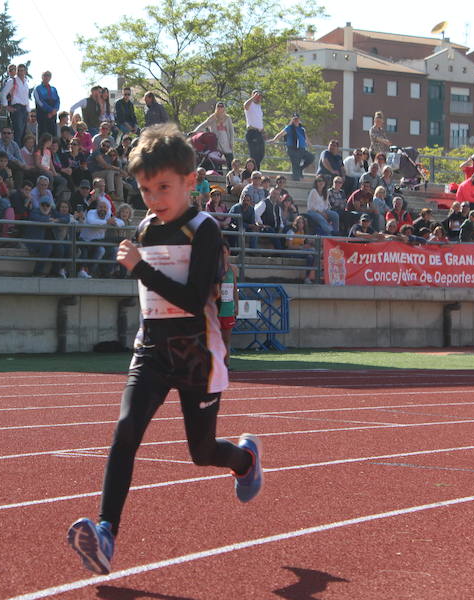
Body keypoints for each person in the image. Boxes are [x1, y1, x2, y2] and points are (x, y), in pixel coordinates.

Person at [67, 123, 262, 575]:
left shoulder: (204, 230)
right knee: (125, 432)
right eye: (145, 189)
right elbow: (152, 291)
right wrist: (135, 268)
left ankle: (245, 459)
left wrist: (139, 269)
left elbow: (195, 302)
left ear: (190, 181)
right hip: (152, 350)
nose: (154, 199)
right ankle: (105, 534)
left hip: (197, 355)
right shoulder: (147, 228)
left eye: (163, 188)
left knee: (201, 452)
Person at [270, 114, 313, 181]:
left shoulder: (302, 129)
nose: (296, 121)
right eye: (294, 119)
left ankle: (300, 169)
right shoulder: (289, 128)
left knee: (311, 157)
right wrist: (274, 140)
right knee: (295, 164)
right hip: (292, 149)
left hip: (301, 149)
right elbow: (280, 134)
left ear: (299, 120)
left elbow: (306, 138)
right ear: (292, 120)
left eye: (297, 119)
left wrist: (310, 145)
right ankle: (296, 179)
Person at [193, 102, 235, 169]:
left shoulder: (228, 118)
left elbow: (231, 131)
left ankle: (231, 173)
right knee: (217, 160)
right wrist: (195, 131)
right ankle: (219, 173)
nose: (220, 108)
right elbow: (204, 124)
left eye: (222, 106)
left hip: (226, 141)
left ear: (224, 108)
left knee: (230, 158)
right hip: (216, 142)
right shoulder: (213, 117)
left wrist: (231, 142)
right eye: (218, 106)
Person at [1, 63, 31, 141]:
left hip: (24, 108)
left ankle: (20, 151)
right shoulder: (12, 81)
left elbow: (26, 98)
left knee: (23, 132)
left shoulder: (26, 83)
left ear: (25, 71)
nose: (21, 72)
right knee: (18, 131)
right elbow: (3, 93)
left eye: (22, 70)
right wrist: (6, 106)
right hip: (16, 107)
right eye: (19, 70)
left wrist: (28, 112)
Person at [288, 215, 316, 283]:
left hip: (300, 251)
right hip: (292, 252)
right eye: (299, 223)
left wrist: (309, 244)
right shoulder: (291, 232)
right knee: (313, 251)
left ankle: (307, 277)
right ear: (296, 223)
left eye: (302, 223)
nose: (301, 224)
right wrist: (302, 247)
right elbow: (289, 246)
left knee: (310, 257)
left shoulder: (303, 232)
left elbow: (304, 243)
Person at [33, 71, 60, 138]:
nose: (46, 77)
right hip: (43, 113)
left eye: (48, 75)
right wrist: (50, 110)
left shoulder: (53, 89)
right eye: (45, 75)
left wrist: (55, 110)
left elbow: (57, 100)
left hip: (53, 114)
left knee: (53, 134)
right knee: (43, 134)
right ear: (42, 77)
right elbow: (40, 101)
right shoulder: (38, 88)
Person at [243, 90, 265, 169]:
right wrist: (253, 97)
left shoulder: (259, 106)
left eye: (259, 96)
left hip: (259, 133)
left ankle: (252, 169)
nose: (258, 97)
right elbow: (245, 106)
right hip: (252, 132)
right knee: (254, 155)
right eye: (256, 95)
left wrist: (263, 131)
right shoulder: (250, 104)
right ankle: (254, 171)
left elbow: (259, 120)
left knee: (261, 154)